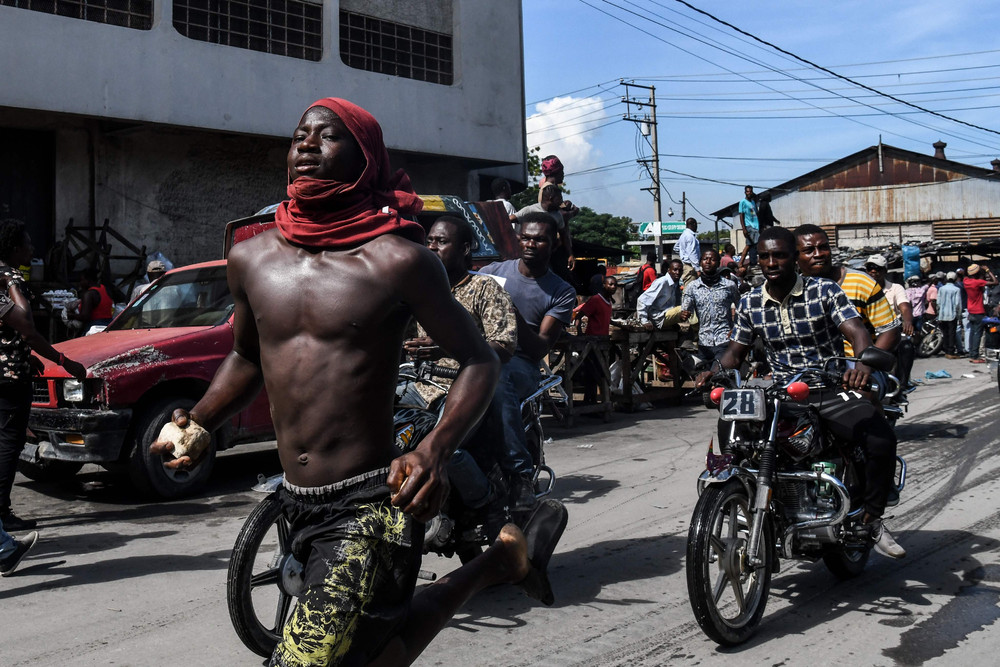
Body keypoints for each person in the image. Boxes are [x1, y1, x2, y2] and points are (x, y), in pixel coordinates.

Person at [149, 99, 566, 667]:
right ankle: (497, 562)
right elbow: (247, 355)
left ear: (367, 158)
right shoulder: (250, 257)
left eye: (328, 136)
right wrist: (199, 421)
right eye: (300, 135)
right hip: (294, 503)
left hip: (372, 503)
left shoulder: (398, 259)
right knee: (374, 655)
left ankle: (494, 552)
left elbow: (480, 360)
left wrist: (433, 451)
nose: (306, 145)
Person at [697, 226, 905, 559]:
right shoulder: (750, 300)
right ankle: (742, 498)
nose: (770, 262)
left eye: (779, 254)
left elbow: (857, 332)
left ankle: (872, 517)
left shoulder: (823, 291)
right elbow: (736, 352)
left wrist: (862, 368)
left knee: (879, 438)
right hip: (779, 392)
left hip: (829, 387)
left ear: (794, 257)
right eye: (764, 256)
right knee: (732, 427)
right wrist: (716, 372)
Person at [402, 216, 517, 537]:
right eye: (429, 241)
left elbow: (504, 346)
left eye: (441, 241)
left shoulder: (483, 288)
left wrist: (443, 349)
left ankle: (488, 503)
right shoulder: (421, 291)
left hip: (467, 388)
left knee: (441, 447)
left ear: (465, 248)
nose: (432, 246)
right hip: (419, 383)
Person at [479, 213, 576, 514]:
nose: (531, 243)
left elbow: (540, 347)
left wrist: (509, 312)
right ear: (518, 238)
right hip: (476, 354)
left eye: (540, 239)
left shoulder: (561, 292)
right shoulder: (491, 272)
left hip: (519, 362)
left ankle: (519, 474)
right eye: (526, 237)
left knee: (498, 376)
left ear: (554, 243)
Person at [0, 219, 87, 532]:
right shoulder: (7, 276)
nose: (32, 248)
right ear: (13, 247)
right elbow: (26, 324)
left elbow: (10, 333)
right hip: (9, 378)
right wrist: (65, 361)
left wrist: (30, 358)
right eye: (27, 243)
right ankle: (2, 513)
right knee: (10, 444)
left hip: (12, 368)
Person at [793, 225, 900, 359]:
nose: (818, 254)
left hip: (857, 366)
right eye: (809, 250)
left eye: (824, 247)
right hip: (814, 370)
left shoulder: (861, 282)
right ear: (795, 256)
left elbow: (890, 331)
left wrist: (864, 365)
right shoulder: (794, 291)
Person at [680, 248, 740, 362]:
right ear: (700, 263)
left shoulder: (729, 285)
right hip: (704, 342)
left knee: (718, 372)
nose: (708, 262)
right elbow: (685, 309)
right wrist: (684, 314)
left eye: (712, 259)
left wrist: (736, 327)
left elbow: (741, 308)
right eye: (705, 259)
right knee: (703, 375)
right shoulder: (693, 287)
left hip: (724, 339)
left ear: (718, 263)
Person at [865, 254, 915, 389]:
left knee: (906, 346)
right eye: (870, 268)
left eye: (877, 268)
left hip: (890, 332)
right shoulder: (862, 288)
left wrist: (908, 321)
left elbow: (904, 307)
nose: (873, 271)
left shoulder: (895, 288)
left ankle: (902, 385)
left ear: (885, 271)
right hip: (867, 332)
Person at [513, 183, 575, 272]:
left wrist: (570, 254)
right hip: (529, 255)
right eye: (559, 198)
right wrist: (517, 237)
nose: (561, 202)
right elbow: (508, 220)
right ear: (551, 198)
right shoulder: (530, 210)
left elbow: (564, 235)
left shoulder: (557, 215)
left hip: (547, 258)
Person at [962, 263, 998, 362]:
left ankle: (972, 354)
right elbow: (995, 282)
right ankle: (975, 356)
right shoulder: (977, 282)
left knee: (972, 333)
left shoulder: (966, 281)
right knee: (978, 334)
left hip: (971, 311)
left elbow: (965, 274)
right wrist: (987, 270)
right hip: (978, 311)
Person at [637, 259, 684, 330]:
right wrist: (644, 321)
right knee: (686, 308)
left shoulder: (675, 283)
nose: (677, 273)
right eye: (675, 270)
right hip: (659, 317)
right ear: (669, 270)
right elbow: (642, 300)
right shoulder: (662, 282)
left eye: (680, 271)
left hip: (667, 313)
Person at [66, 267, 114, 332]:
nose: (80, 283)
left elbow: (85, 317)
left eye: (82, 280)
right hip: (109, 324)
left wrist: (71, 316)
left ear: (88, 280)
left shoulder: (89, 294)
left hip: (95, 327)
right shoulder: (104, 288)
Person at [937, 272, 963, 358]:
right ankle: (951, 352)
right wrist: (959, 316)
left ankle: (946, 350)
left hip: (942, 314)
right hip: (952, 315)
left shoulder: (941, 289)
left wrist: (939, 313)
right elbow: (957, 304)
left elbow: (938, 303)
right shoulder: (956, 289)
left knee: (945, 333)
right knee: (952, 333)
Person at [737, 185, 760, 265]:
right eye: (747, 191)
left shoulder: (753, 202)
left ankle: (750, 262)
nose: (749, 193)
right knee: (750, 245)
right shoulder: (743, 202)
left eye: (750, 191)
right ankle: (744, 262)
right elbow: (741, 215)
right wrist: (744, 228)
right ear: (745, 192)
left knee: (752, 245)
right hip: (749, 226)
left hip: (756, 226)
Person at [675, 218, 701, 284]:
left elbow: (676, 248)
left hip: (686, 265)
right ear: (694, 224)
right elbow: (692, 253)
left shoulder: (683, 235)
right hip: (691, 267)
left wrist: (683, 255)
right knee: (689, 289)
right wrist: (697, 269)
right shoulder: (690, 236)